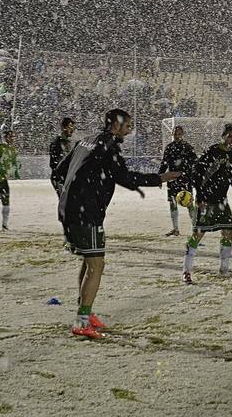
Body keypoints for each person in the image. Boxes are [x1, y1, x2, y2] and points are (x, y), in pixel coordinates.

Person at [54, 108, 180, 338]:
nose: (130, 129)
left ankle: (85, 310)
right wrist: (159, 178)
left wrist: (68, 198)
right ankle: (82, 321)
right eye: (127, 125)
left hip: (72, 210)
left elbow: (59, 171)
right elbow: (124, 177)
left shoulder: (86, 141)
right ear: (115, 126)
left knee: (88, 260)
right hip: (86, 213)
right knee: (96, 265)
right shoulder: (107, 147)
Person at [182, 124, 232, 283]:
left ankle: (224, 269)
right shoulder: (213, 151)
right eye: (230, 136)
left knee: (228, 232)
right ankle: (186, 270)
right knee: (198, 234)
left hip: (222, 200)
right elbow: (196, 173)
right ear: (223, 136)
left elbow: (230, 172)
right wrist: (200, 197)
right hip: (207, 200)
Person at [159, 124, 199, 237]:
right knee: (172, 202)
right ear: (172, 134)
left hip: (185, 179)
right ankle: (175, 229)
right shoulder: (169, 147)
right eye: (175, 134)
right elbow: (164, 163)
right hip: (172, 179)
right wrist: (159, 177)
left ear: (183, 134)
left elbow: (195, 162)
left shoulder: (188, 147)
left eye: (179, 134)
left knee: (189, 203)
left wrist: (184, 173)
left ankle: (195, 229)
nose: (177, 136)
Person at [48, 117, 76, 195]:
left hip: (65, 178)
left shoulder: (67, 142)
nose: (72, 129)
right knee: (65, 202)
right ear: (63, 128)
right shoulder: (57, 143)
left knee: (67, 203)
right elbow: (53, 164)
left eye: (73, 127)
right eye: (70, 127)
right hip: (59, 179)